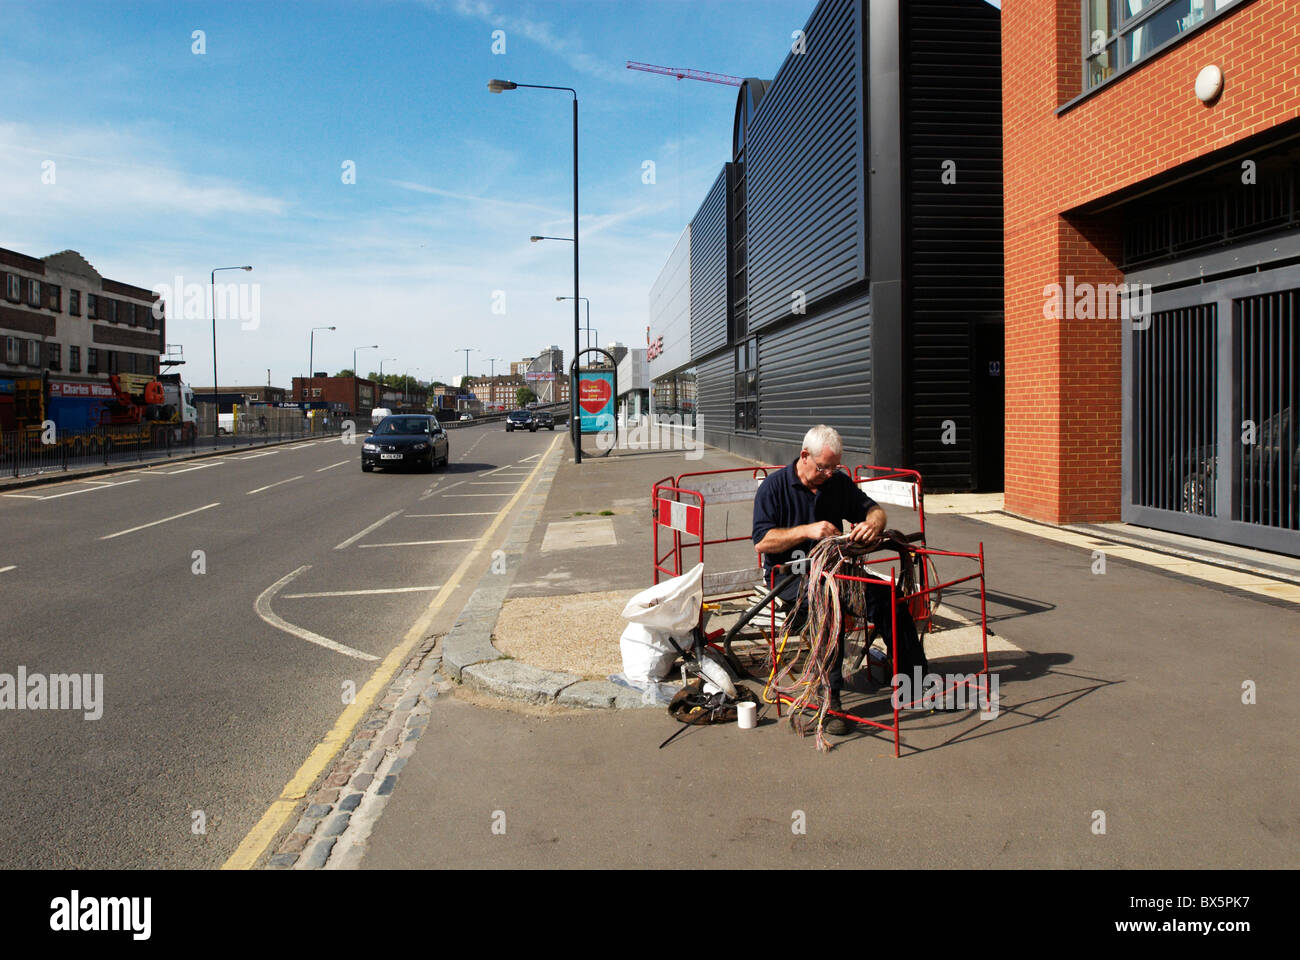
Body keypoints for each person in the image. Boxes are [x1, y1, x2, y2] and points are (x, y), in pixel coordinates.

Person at [752, 424, 923, 735]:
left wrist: (872, 524)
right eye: (823, 467)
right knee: (827, 608)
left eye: (834, 467)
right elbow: (763, 541)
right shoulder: (774, 488)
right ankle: (829, 703)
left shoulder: (837, 483)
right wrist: (806, 530)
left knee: (886, 597)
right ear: (804, 456)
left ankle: (915, 681)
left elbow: (874, 511)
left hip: (837, 569)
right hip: (791, 576)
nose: (829, 473)